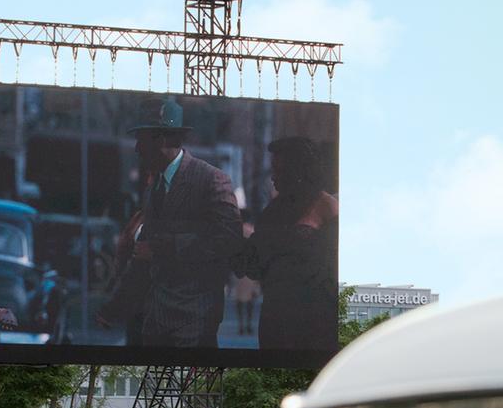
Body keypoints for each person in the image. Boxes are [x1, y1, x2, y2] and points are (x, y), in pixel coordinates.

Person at [97, 97, 241, 347]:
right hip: (155, 325)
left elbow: (229, 240)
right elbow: (142, 259)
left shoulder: (210, 180)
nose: (136, 148)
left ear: (161, 139)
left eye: (140, 139)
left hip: (195, 324)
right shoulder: (154, 189)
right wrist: (113, 308)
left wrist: (168, 247)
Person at [242, 136, 338, 350]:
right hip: (275, 318)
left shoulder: (328, 208)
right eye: (273, 170)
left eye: (280, 170)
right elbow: (254, 265)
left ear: (301, 171)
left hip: (314, 321)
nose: (274, 178)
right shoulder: (273, 211)